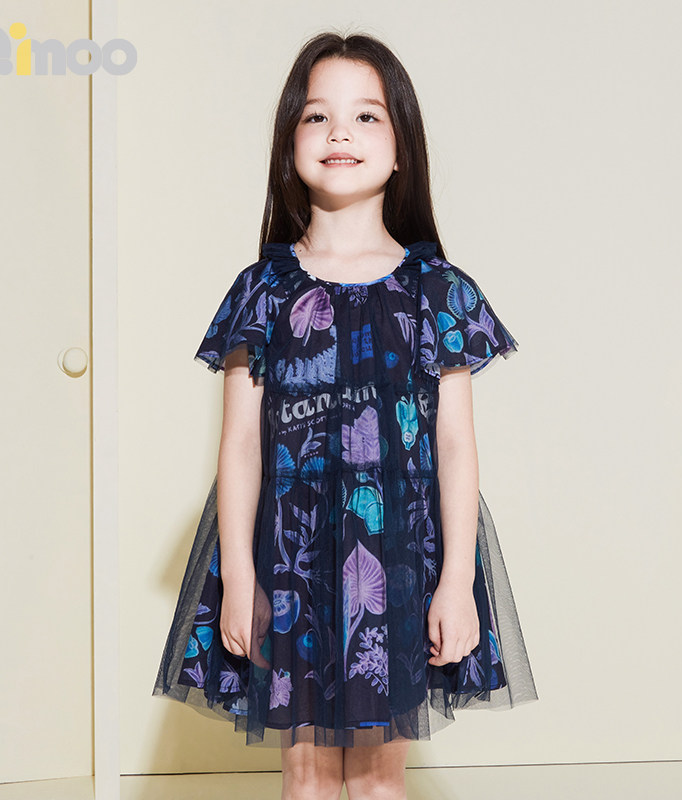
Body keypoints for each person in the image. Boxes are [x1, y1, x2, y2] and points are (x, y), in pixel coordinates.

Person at [153, 29, 539, 800]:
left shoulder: (437, 292)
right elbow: (241, 447)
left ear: (401, 149)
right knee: (304, 776)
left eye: (366, 116)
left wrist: (456, 580)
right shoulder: (262, 292)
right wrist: (240, 578)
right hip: (289, 560)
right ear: (289, 143)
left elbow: (454, 447)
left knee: (378, 778)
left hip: (398, 559)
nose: (339, 132)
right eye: (316, 116)